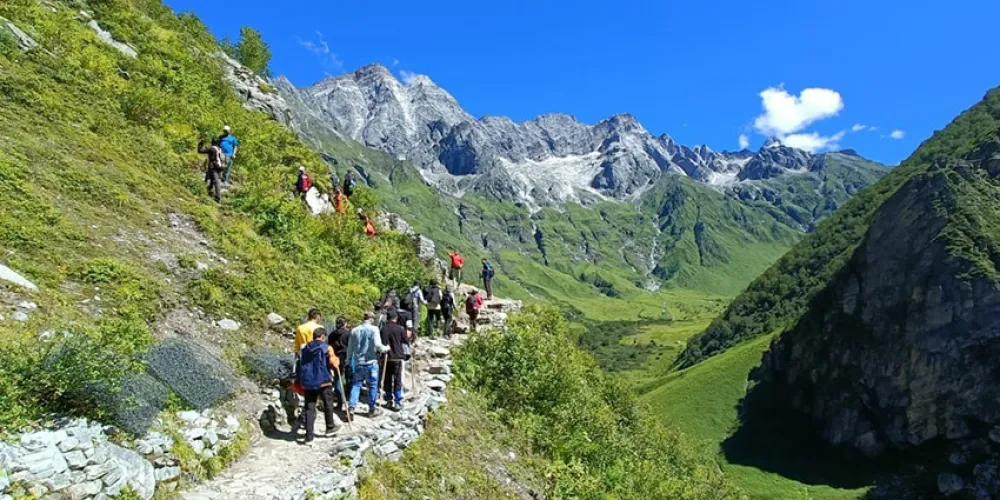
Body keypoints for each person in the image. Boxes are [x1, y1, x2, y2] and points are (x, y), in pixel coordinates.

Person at [298, 327, 341, 442]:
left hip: (308, 381)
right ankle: (330, 427)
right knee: (328, 404)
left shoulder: (305, 348)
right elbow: (333, 363)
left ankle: (309, 436)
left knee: (309, 408)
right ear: (322, 337)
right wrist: (337, 360)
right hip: (323, 380)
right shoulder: (327, 348)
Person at [346, 312, 390, 419]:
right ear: (371, 319)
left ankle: (351, 407)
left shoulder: (354, 330)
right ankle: (371, 409)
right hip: (371, 362)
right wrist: (386, 348)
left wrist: (348, 361)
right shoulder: (374, 329)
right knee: (372, 386)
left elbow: (350, 348)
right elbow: (378, 345)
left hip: (358, 363)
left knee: (356, 385)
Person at [379, 312, 409, 411]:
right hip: (397, 356)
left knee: (387, 378)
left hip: (386, 356)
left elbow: (381, 342)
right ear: (395, 318)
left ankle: (388, 400)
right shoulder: (400, 329)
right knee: (397, 379)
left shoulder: (383, 329)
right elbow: (406, 341)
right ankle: (397, 401)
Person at [197, 138, 225, 202]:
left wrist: (200, 143)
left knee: (215, 181)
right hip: (219, 167)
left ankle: (217, 197)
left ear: (212, 142)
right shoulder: (219, 149)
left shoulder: (211, 148)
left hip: (213, 166)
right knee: (211, 178)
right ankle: (208, 190)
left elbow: (200, 151)